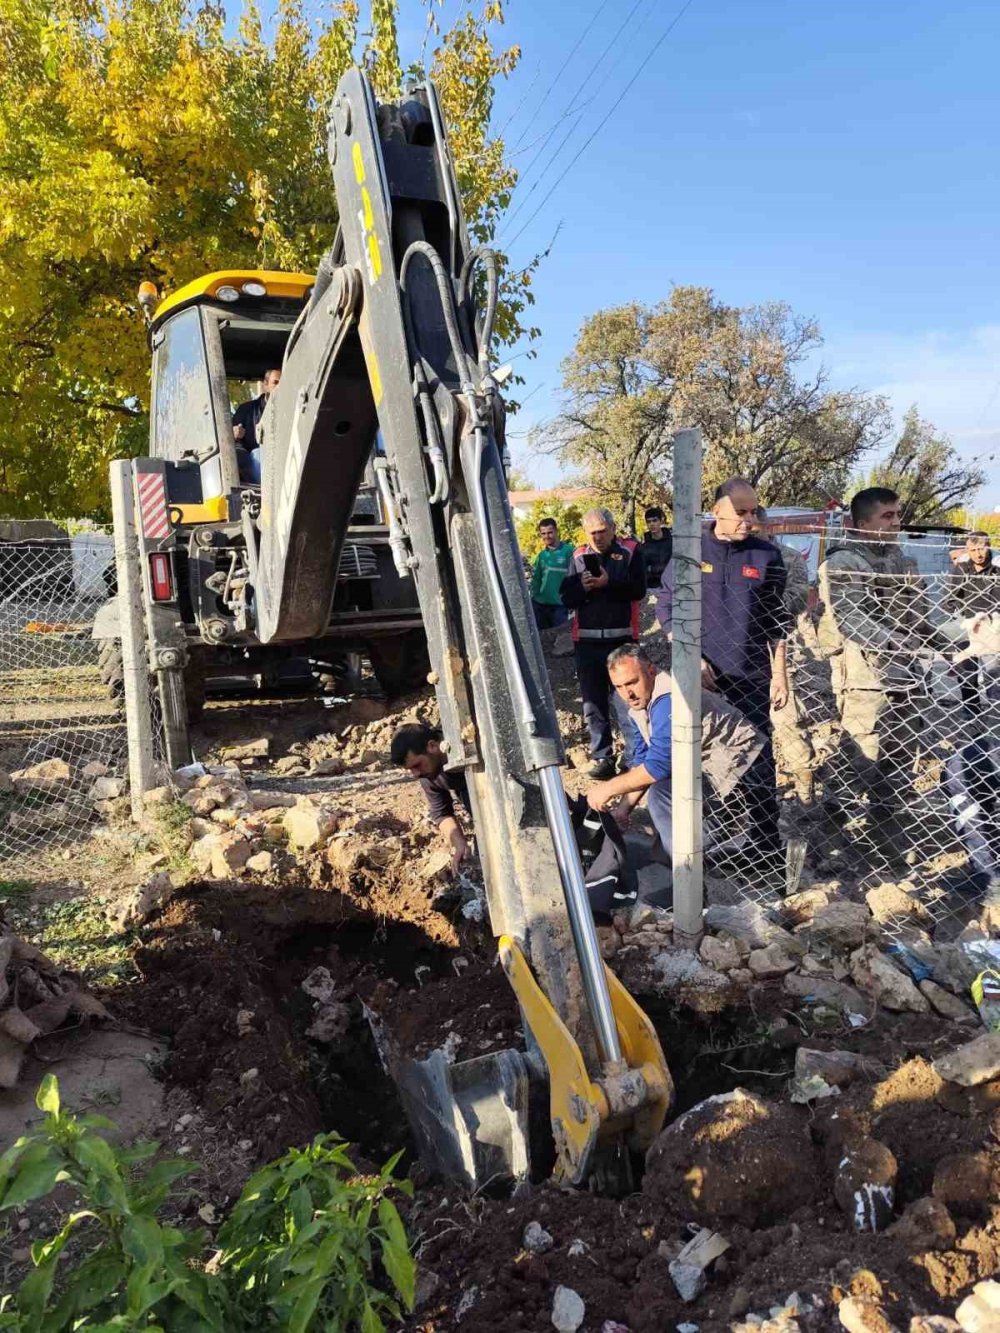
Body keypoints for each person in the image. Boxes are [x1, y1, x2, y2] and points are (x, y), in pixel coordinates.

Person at [656, 478, 789, 860]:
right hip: (700, 677)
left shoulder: (766, 556)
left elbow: (776, 621)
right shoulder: (690, 550)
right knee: (693, 756)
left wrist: (780, 674)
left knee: (757, 758)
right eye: (741, 513)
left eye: (754, 512)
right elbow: (666, 607)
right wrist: (689, 656)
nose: (750, 520)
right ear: (717, 512)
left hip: (749, 674)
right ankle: (695, 845)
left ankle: (765, 846)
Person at [817, 486, 934, 871]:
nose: (897, 523)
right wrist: (898, 642)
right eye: (887, 516)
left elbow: (921, 617)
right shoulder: (843, 562)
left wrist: (963, 637)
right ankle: (833, 846)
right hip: (864, 681)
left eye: (898, 515)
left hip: (906, 679)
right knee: (857, 764)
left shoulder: (901, 561)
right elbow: (853, 620)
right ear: (861, 523)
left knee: (899, 765)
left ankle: (889, 845)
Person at [585, 643, 765, 863]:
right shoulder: (640, 704)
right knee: (662, 853)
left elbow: (657, 768)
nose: (627, 693)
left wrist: (608, 788)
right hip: (704, 769)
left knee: (661, 795)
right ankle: (694, 860)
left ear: (651, 671)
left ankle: (691, 872)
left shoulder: (669, 699)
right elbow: (644, 759)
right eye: (619, 686)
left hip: (741, 768)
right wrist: (623, 810)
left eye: (632, 682)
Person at [560, 507, 646, 779]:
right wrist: (583, 588)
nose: (597, 537)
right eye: (592, 532)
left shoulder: (631, 550)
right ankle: (602, 758)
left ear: (612, 528)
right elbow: (565, 597)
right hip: (586, 642)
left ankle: (636, 758)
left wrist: (609, 583)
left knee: (628, 701)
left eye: (602, 531)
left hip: (621, 640)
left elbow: (639, 589)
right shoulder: (578, 556)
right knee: (592, 704)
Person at [390, 723, 469, 873]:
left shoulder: (466, 740)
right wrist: (459, 844)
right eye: (410, 769)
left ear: (432, 746)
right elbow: (441, 813)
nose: (415, 774)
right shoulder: (428, 774)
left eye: (417, 765)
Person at [946, 532, 1000, 715]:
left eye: (981, 549)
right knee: (966, 673)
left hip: (991, 625)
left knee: (993, 672)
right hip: (966, 623)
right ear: (968, 549)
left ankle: (995, 713)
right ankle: (971, 712)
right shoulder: (962, 566)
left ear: (989, 546)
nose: (978, 554)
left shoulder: (997, 566)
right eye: (973, 550)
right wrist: (957, 617)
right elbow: (952, 595)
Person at [233, 368, 281, 482]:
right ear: (265, 385)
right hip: (257, 460)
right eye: (276, 382)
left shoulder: (293, 411)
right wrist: (232, 433)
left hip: (283, 459)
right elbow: (225, 437)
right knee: (258, 454)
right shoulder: (246, 410)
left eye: (283, 383)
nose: (280, 387)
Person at [529, 518, 573, 630]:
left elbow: (575, 578)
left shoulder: (569, 551)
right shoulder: (541, 556)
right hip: (539, 605)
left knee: (561, 642)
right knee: (542, 642)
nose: (546, 536)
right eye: (543, 533)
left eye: (549, 532)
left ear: (556, 531)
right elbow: (536, 580)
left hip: (560, 606)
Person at [642, 507, 673, 585]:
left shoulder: (672, 542)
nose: (652, 524)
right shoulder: (644, 547)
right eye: (649, 522)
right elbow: (642, 571)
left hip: (672, 585)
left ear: (661, 521)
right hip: (653, 587)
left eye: (655, 520)